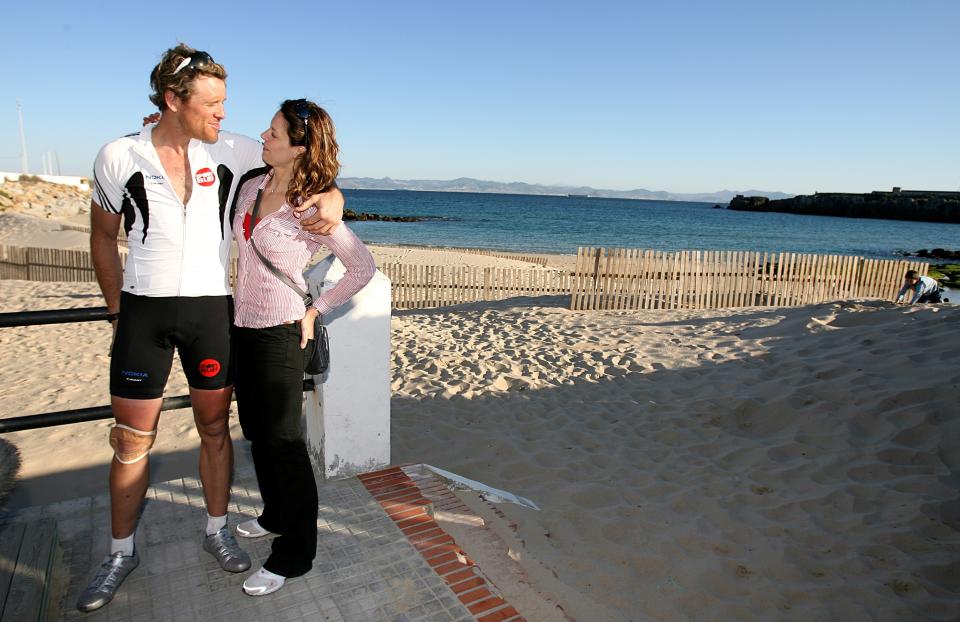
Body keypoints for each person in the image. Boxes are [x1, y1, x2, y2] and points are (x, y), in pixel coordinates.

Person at [79, 44, 345, 612]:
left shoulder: (236, 150)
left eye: (226, 101)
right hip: (142, 315)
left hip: (211, 313)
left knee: (218, 430)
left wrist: (335, 199)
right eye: (214, 102)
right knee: (130, 442)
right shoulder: (118, 155)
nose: (226, 112)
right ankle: (120, 553)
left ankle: (217, 528)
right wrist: (114, 310)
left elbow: (309, 164)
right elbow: (103, 237)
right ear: (174, 100)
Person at [231, 99, 375, 596]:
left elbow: (362, 267)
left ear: (299, 145)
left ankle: (295, 555)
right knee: (256, 430)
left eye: (274, 133)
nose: (264, 137)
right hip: (240, 325)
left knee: (285, 442)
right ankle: (274, 514)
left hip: (281, 331)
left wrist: (316, 309)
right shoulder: (251, 184)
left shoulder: (312, 204)